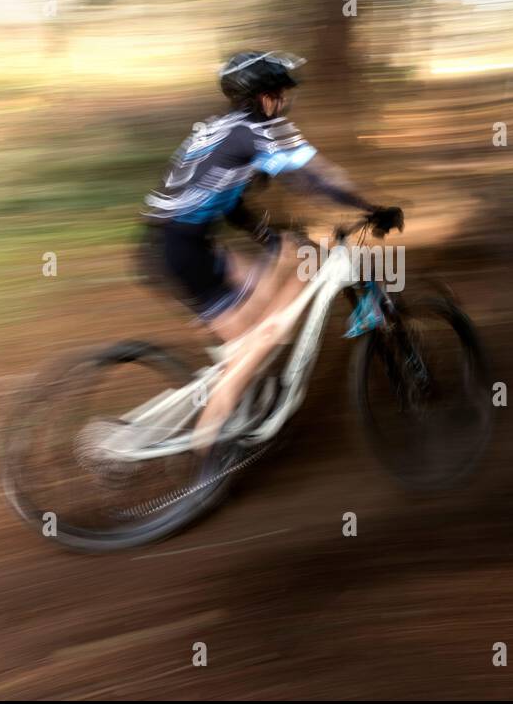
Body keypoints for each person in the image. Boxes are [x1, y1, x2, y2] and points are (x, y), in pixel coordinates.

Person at [141, 50, 403, 451]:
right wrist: (371, 208)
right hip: (185, 250)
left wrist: (270, 236)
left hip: (169, 244)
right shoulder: (260, 129)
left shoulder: (216, 129)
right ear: (264, 96)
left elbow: (226, 201)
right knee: (261, 337)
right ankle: (210, 439)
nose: (284, 101)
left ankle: (238, 382)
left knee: (285, 267)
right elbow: (316, 179)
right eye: (280, 92)